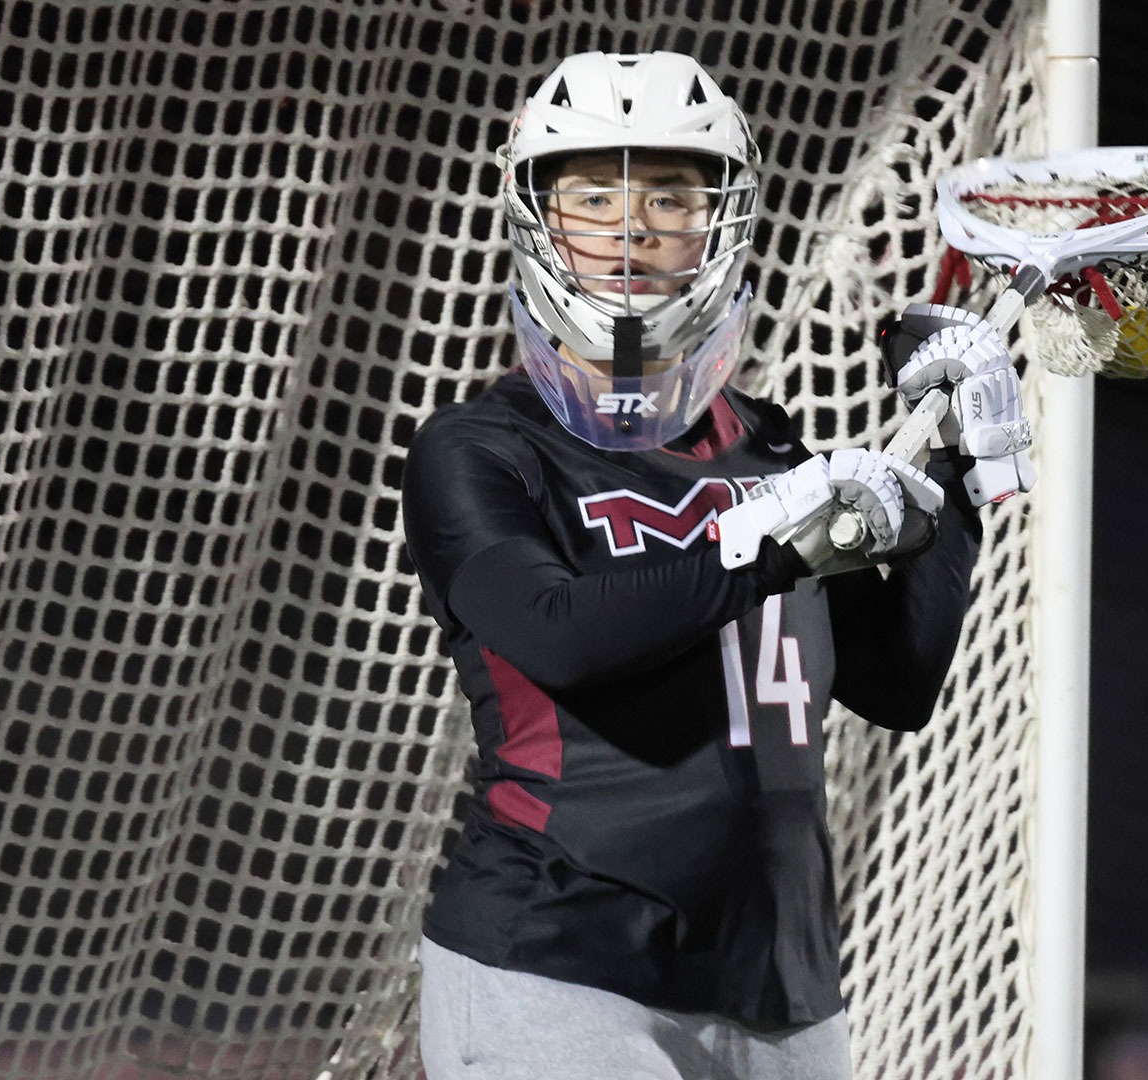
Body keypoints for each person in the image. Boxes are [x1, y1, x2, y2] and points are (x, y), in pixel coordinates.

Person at [399, 51, 1034, 1080]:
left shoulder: (769, 446)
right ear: (538, 217)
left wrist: (960, 468)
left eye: (669, 194)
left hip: (780, 980)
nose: (631, 228)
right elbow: (562, 637)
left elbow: (896, 683)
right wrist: (762, 545)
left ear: (723, 218)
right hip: (559, 961)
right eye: (593, 194)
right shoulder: (478, 448)